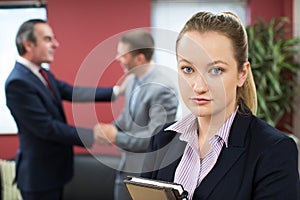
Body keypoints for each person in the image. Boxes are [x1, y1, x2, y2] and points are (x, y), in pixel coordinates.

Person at [141, 11, 300, 200]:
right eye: (188, 69)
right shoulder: (162, 140)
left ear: (242, 73)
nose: (199, 87)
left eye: (216, 70)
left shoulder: (273, 150)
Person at [5, 19, 124, 200]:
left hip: (53, 173)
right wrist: (93, 135)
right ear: (28, 45)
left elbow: (71, 92)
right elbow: (46, 127)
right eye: (47, 39)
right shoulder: (18, 82)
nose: (55, 44)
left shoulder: (40, 73)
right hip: (38, 178)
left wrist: (117, 92)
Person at [94, 29, 179, 200]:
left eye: (122, 55)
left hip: (146, 174)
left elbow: (154, 136)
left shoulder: (163, 89)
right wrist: (111, 128)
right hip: (127, 167)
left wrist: (116, 137)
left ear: (139, 58)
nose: (118, 59)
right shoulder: (133, 79)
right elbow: (128, 116)